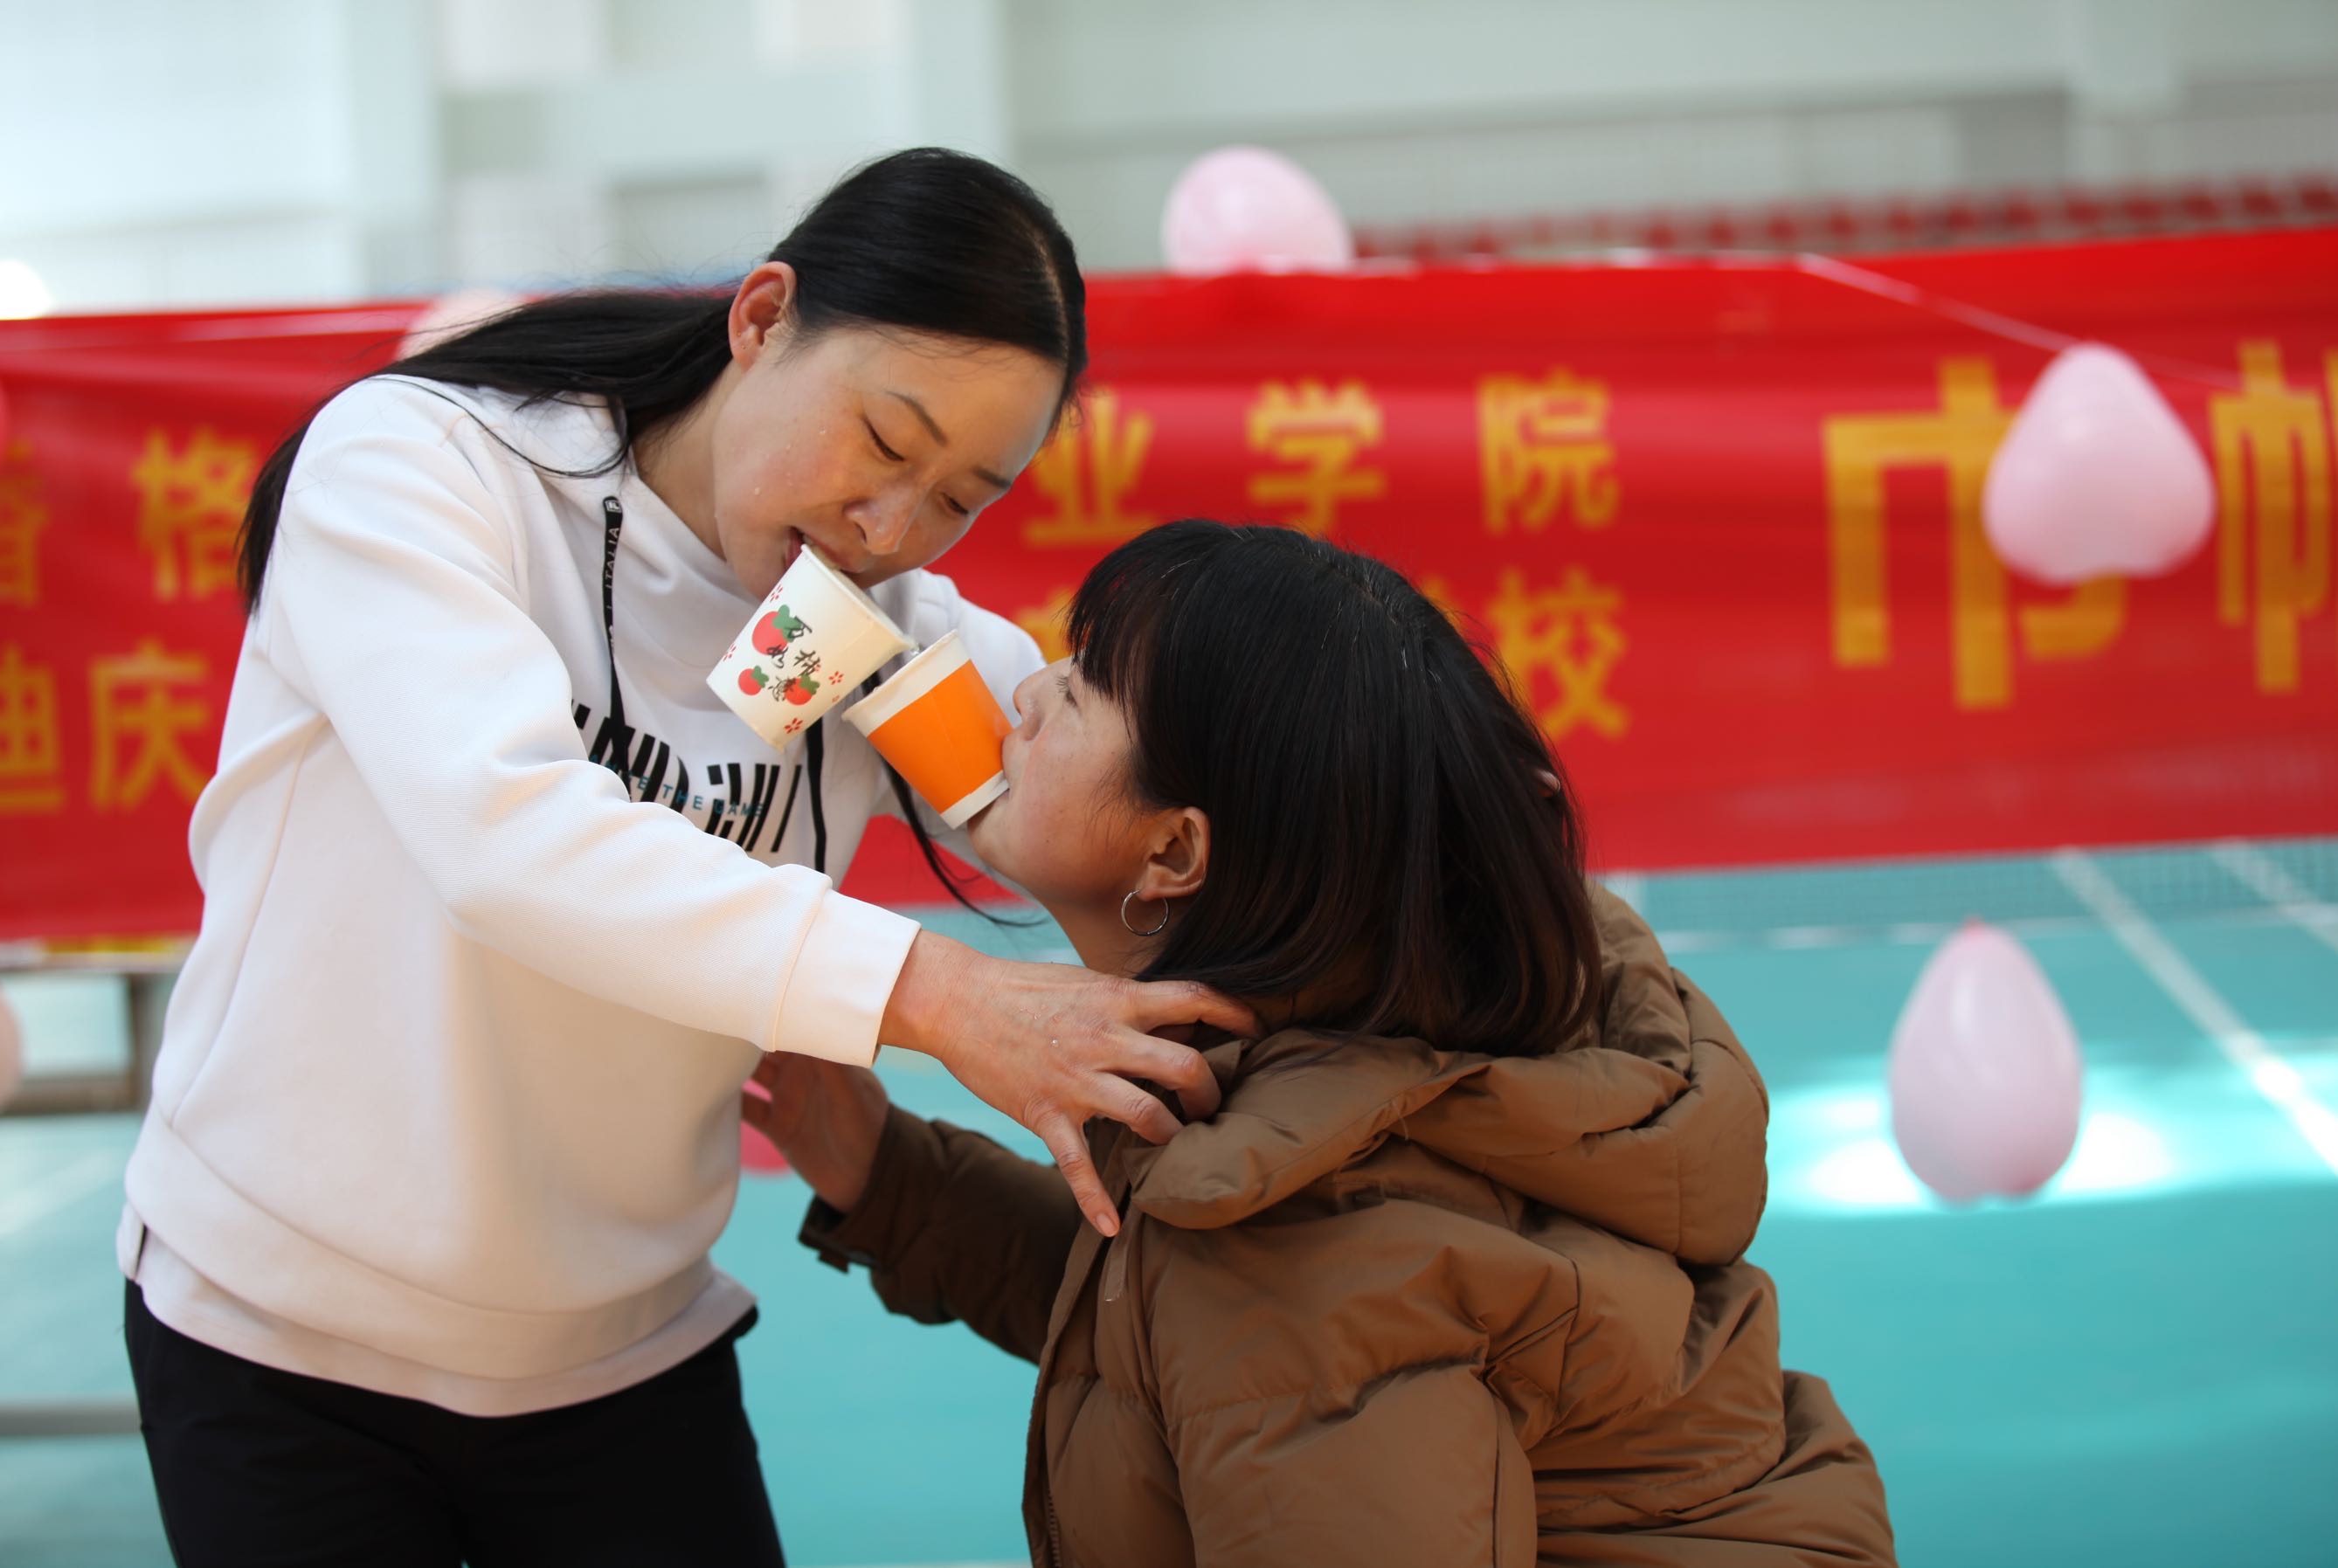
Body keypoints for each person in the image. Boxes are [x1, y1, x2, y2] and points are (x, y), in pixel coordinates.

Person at [117, 149, 1248, 1568]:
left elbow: (1086, 805)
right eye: (885, 444)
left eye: (963, 497)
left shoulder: (865, 623)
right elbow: (504, 833)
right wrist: (949, 1000)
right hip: (280, 1333)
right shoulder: (425, 469)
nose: (890, 527)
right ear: (763, 316)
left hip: (620, 1350)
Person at [751, 521, 1899, 1567]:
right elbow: (1195, 1336)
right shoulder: (1390, 1041)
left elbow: (1277, 1324)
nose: (1031, 688)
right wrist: (886, 1174)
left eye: (1087, 684)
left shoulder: (1299, 1236)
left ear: (1174, 857)